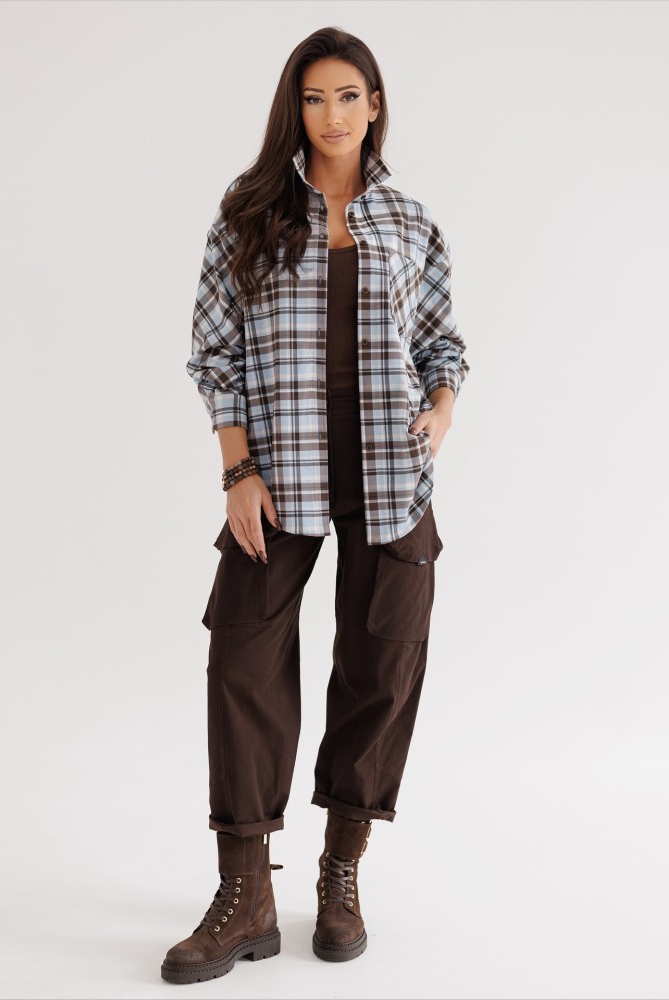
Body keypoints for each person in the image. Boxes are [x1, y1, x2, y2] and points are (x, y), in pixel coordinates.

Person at [161, 25, 469, 985]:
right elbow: (214, 353)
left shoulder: (411, 222)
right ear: (293, 110)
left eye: (347, 96)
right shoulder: (249, 213)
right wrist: (236, 471)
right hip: (279, 471)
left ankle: (342, 871)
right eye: (313, 97)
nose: (330, 115)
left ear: (375, 106)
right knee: (241, 662)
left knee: (382, 665)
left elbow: (442, 342)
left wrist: (443, 407)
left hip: (390, 473)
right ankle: (245, 893)